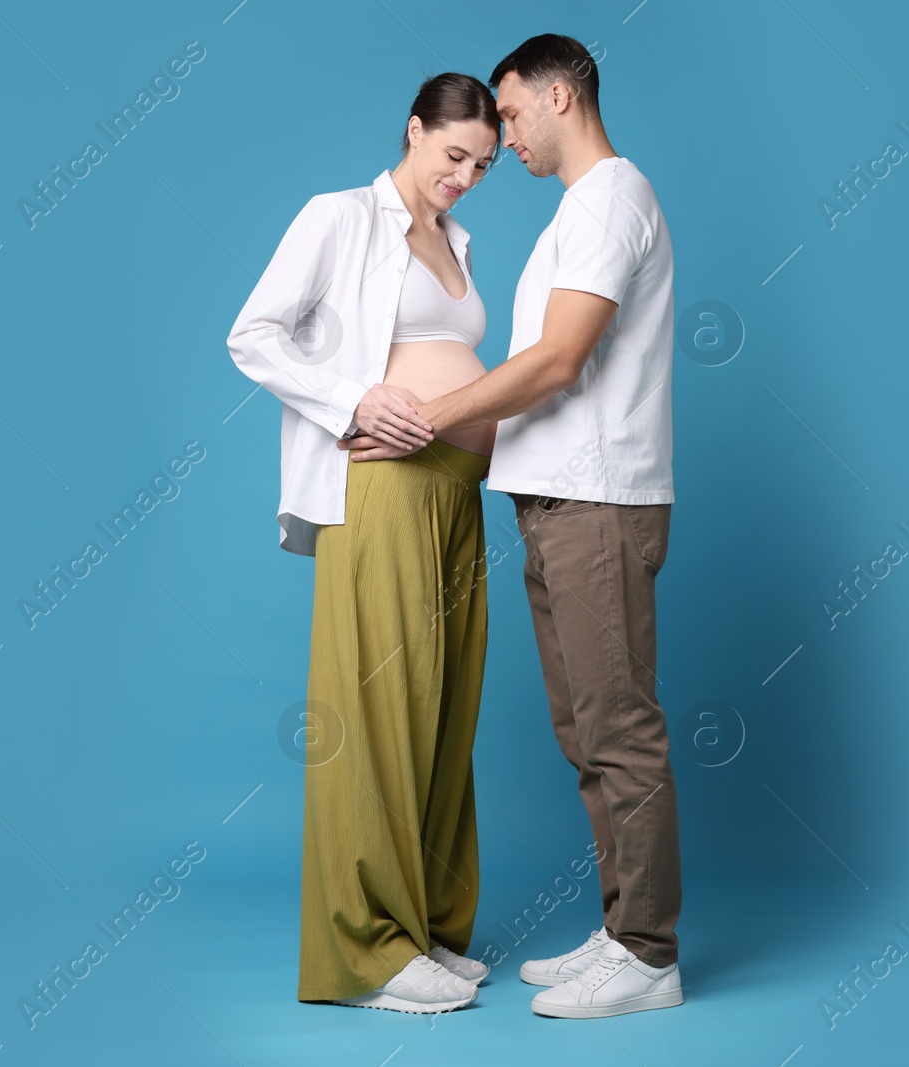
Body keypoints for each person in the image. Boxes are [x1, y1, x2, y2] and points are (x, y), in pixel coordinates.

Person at [341, 34, 683, 1019]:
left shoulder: (612, 199)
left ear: (561, 95)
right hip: (555, 497)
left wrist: (423, 418)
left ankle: (650, 953)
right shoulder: (580, 213)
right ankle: (622, 930)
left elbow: (557, 361)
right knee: (582, 724)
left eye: (513, 110)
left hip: (600, 500)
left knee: (616, 725)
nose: (504, 134)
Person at [225, 72, 501, 1014]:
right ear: (414, 130)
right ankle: (366, 950)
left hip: (459, 498)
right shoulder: (339, 216)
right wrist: (354, 399)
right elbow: (251, 335)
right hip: (381, 488)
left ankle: (423, 924)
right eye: (452, 154)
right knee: (381, 710)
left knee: (443, 711)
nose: (463, 177)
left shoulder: (458, 241)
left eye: (483, 165)